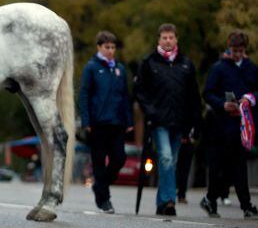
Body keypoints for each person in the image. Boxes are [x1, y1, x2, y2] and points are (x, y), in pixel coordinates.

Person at [134, 23, 201, 216]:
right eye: (164, 37)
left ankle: (162, 203)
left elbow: (194, 96)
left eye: (171, 37)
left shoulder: (186, 64)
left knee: (172, 161)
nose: (168, 41)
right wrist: (151, 111)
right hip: (159, 120)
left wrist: (195, 123)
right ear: (159, 40)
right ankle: (169, 200)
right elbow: (140, 92)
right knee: (165, 157)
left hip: (180, 121)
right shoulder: (149, 63)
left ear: (176, 39)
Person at [200, 31, 258, 218]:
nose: (237, 54)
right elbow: (208, 92)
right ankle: (211, 200)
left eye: (241, 51)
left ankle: (245, 205)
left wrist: (250, 98)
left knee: (239, 167)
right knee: (219, 167)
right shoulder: (219, 68)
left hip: (241, 126)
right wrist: (221, 104)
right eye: (234, 50)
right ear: (228, 47)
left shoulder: (251, 68)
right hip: (220, 126)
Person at [78, 31, 133, 214]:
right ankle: (105, 199)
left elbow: (125, 96)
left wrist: (129, 120)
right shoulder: (92, 67)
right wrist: (86, 120)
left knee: (119, 158)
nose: (110, 51)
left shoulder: (120, 69)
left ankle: (99, 186)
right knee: (99, 162)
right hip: (98, 123)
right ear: (99, 47)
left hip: (117, 122)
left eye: (112, 47)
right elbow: (84, 95)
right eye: (106, 47)